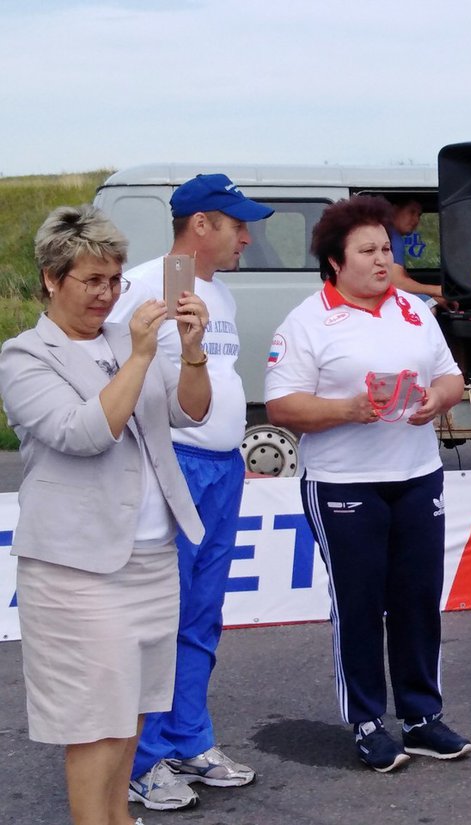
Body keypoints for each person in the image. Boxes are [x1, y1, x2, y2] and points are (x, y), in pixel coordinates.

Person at [0, 205, 211, 825]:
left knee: (132, 720)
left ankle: (119, 818)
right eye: (90, 280)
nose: (106, 294)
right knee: (95, 726)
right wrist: (142, 357)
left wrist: (192, 353)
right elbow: (85, 432)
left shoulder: (126, 338)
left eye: (114, 279)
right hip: (78, 569)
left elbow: (191, 412)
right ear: (50, 278)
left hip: (152, 556)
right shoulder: (24, 356)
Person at [264, 195, 471, 772]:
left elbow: (452, 376)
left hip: (416, 476)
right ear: (335, 261)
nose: (383, 260)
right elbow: (281, 406)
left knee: (418, 599)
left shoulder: (413, 309)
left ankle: (422, 717)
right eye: (368, 251)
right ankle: (365, 721)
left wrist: (437, 399)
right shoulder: (306, 322)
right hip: (342, 483)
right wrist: (346, 409)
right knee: (359, 605)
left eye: (387, 248)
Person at [108, 173, 273, 810]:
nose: (246, 237)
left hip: (223, 466)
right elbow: (116, 372)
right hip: (171, 463)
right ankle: (140, 760)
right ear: (199, 225)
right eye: (236, 224)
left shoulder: (219, 294)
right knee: (160, 614)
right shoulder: (147, 285)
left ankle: (186, 738)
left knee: (202, 612)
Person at [385, 196, 447, 307]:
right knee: (428, 308)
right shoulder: (391, 237)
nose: (416, 220)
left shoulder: (395, 236)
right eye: (411, 212)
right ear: (394, 210)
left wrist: (434, 299)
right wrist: (438, 290)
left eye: (418, 215)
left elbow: (403, 280)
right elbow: (398, 283)